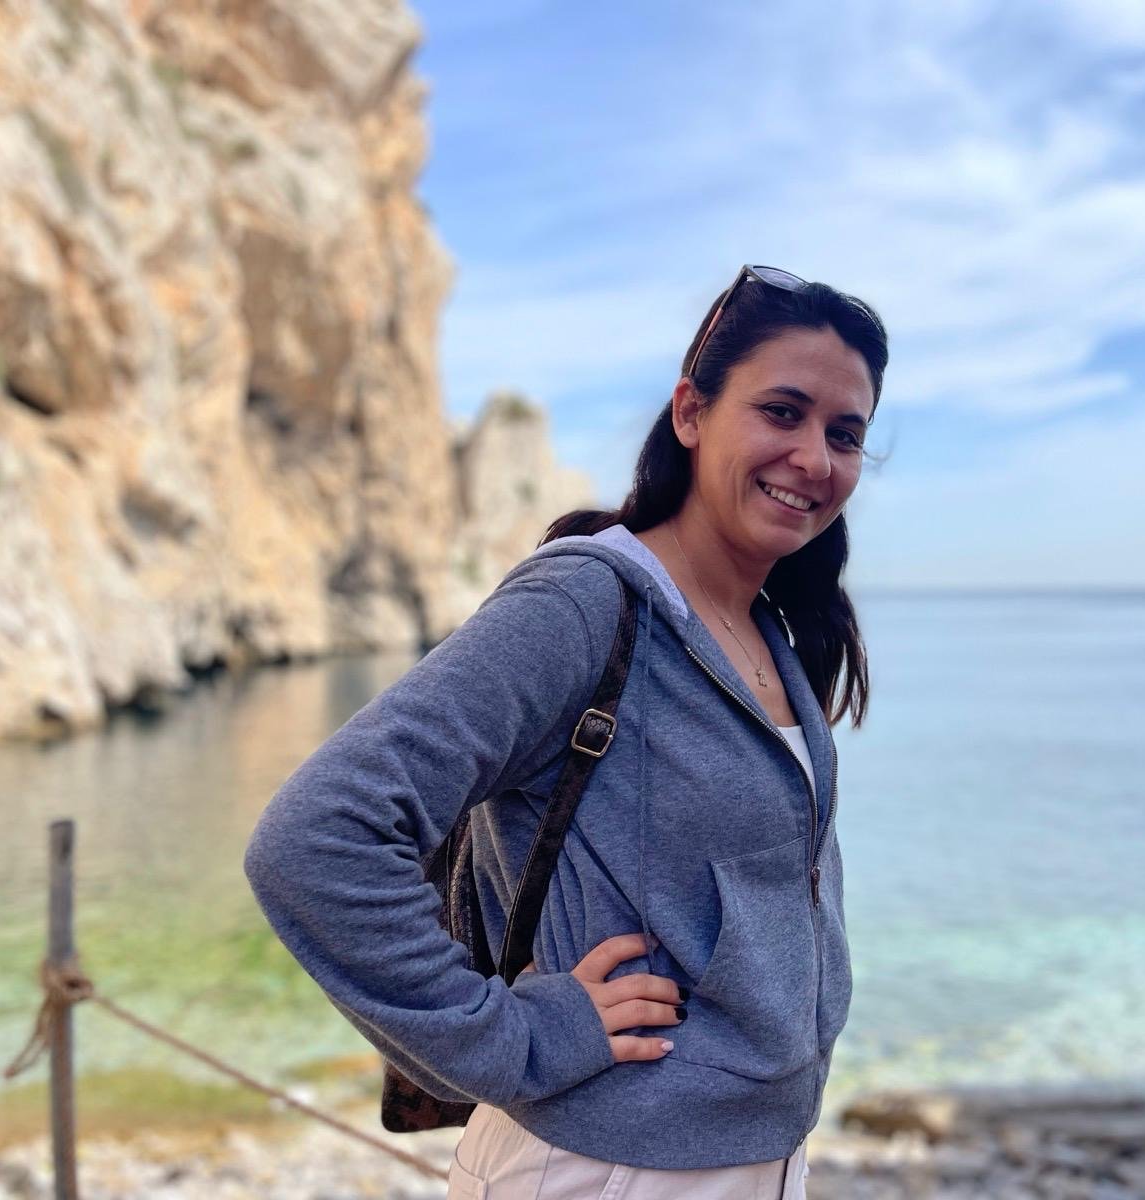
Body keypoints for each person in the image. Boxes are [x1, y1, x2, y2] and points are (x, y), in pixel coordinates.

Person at [243, 264, 887, 1198]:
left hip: (753, 1158)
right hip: (603, 1168)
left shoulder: (770, 632)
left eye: (845, 434)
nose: (815, 459)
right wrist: (517, 1040)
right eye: (781, 412)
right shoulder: (584, 603)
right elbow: (315, 840)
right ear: (692, 413)